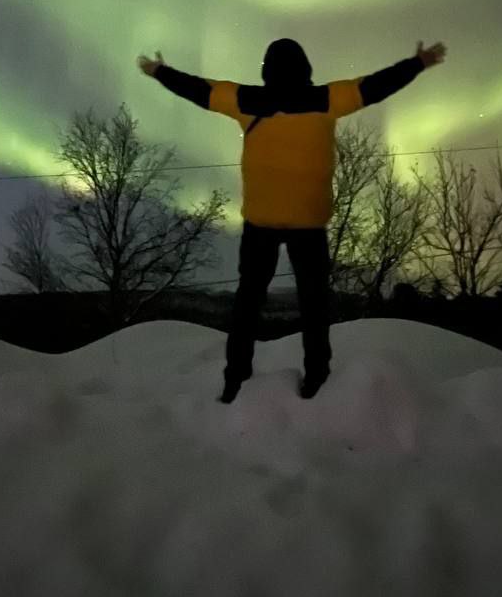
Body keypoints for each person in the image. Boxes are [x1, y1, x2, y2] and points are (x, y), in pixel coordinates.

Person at [137, 37, 447, 402]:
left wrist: (160, 71)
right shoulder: (327, 99)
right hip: (309, 225)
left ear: (266, 71)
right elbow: (376, 85)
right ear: (306, 69)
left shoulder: (246, 100)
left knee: (247, 305)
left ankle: (235, 380)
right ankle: (316, 378)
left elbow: (197, 89)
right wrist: (418, 62)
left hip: (260, 224)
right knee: (314, 305)